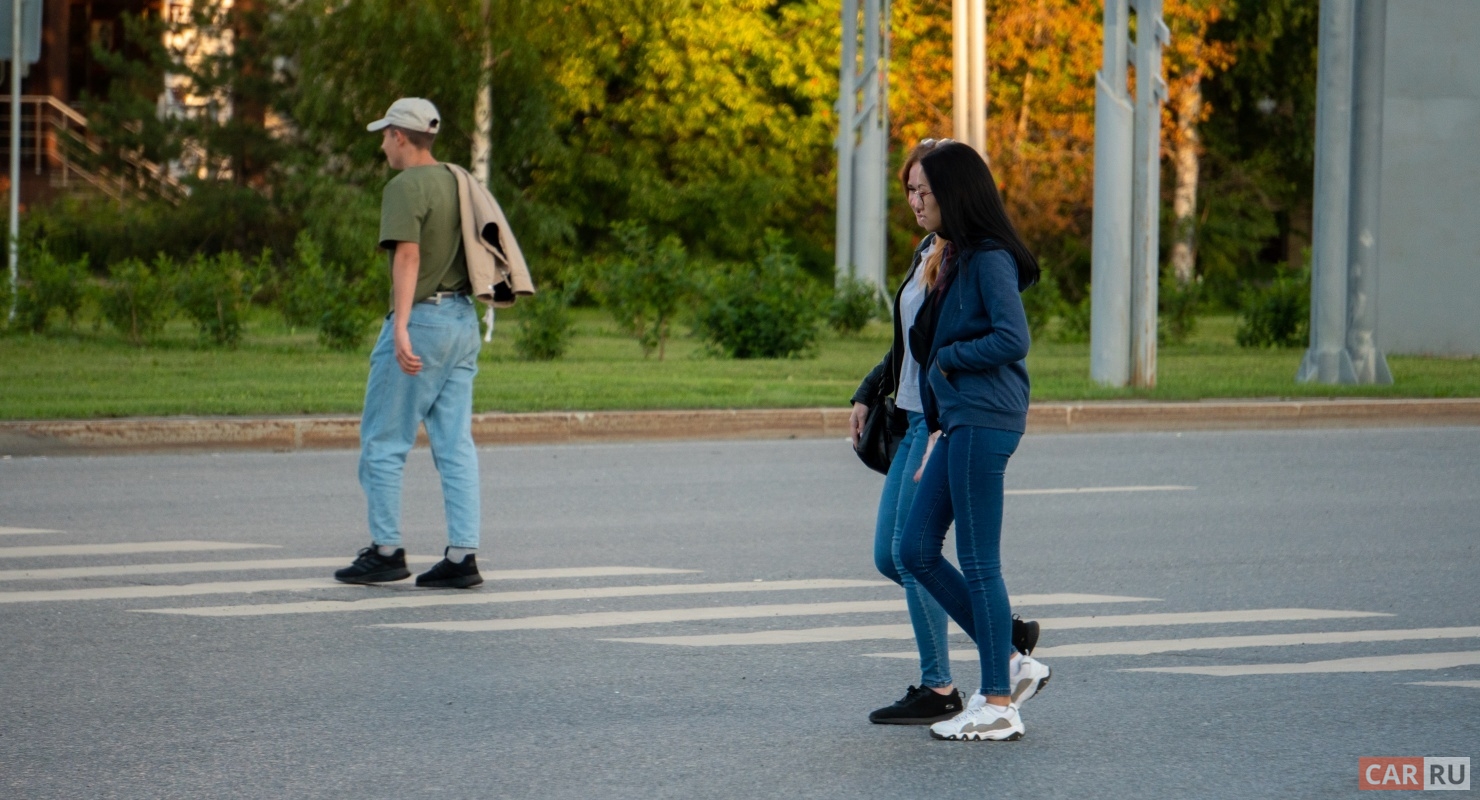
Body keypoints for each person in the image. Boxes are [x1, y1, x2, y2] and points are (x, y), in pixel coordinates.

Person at [850, 138, 1045, 727]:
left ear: (953, 193)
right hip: (949, 420)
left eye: (924, 191)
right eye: (910, 190)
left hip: (983, 416)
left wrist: (950, 360)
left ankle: (997, 703)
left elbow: (1013, 339)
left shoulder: (987, 256)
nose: (915, 201)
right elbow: (914, 344)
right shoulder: (948, 252)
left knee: (978, 562)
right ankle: (1009, 656)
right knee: (911, 550)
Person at [334, 97, 485, 590]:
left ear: (400, 135)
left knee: (383, 439)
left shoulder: (405, 186)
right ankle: (462, 557)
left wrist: (400, 325)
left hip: (423, 321)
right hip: (464, 321)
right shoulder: (458, 179)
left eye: (384, 136)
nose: (382, 145)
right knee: (455, 445)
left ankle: (385, 550)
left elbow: (408, 257)